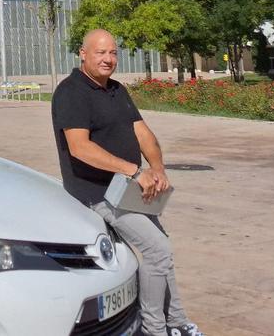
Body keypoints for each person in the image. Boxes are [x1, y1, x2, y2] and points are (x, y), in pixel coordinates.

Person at [51, 29, 203, 336]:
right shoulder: (71, 92)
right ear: (83, 54)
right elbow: (80, 148)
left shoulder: (117, 90)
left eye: (113, 53)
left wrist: (157, 167)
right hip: (97, 193)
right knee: (158, 250)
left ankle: (177, 323)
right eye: (100, 53)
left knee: (163, 252)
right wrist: (133, 171)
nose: (108, 59)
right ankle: (153, 329)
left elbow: (142, 131)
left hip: (128, 189)